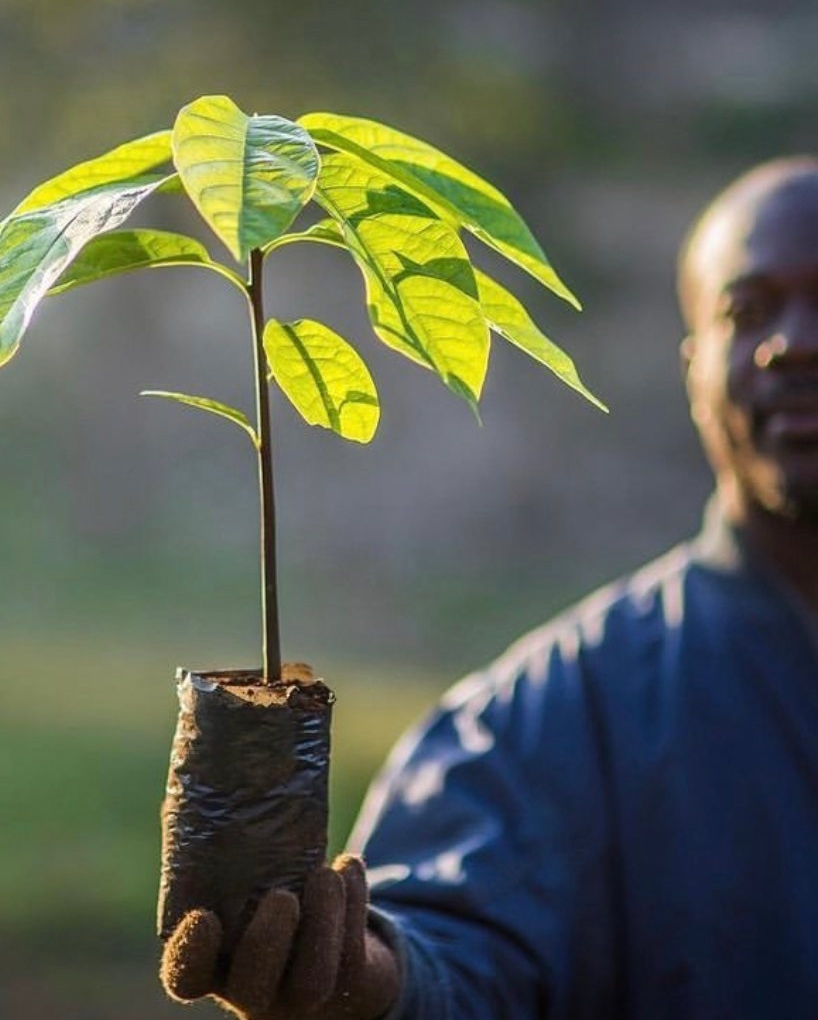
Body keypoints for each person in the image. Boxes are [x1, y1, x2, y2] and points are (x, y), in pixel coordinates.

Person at [159, 156, 818, 1020]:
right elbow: (448, 950)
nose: (796, 341)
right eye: (748, 310)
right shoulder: (546, 720)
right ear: (695, 370)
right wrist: (361, 978)